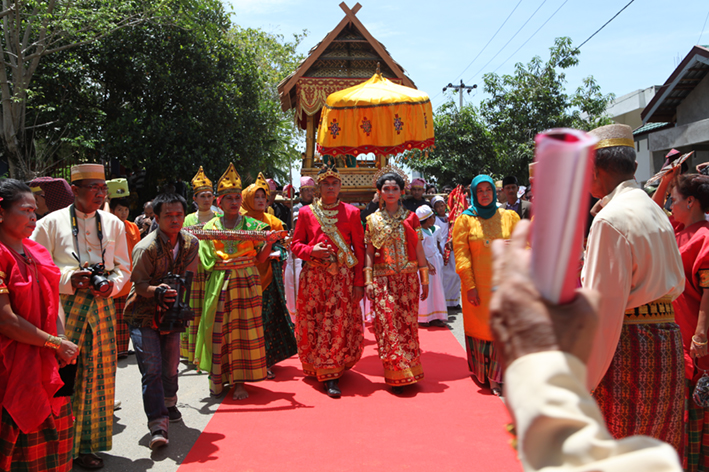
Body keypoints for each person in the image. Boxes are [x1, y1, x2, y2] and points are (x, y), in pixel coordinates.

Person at [490, 220, 683, 472]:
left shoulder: (608, 223)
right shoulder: (656, 216)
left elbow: (575, 461)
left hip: (621, 343)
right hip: (663, 340)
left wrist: (537, 365)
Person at [582, 124, 685, 452]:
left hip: (627, 349)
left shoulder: (610, 220)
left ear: (595, 171)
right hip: (667, 345)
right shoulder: (656, 211)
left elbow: (602, 314)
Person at [31, 163, 131, 469]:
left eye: (103, 189)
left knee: (98, 377)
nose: (100, 194)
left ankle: (88, 446)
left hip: (101, 307)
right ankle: (60, 444)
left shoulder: (113, 224)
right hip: (64, 307)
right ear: (75, 190)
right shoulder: (49, 223)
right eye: (93, 188)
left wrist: (111, 286)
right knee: (64, 376)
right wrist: (68, 279)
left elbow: (123, 268)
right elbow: (36, 264)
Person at [0, 179, 80, 472]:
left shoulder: (36, 252)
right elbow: (6, 321)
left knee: (54, 447)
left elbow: (52, 299)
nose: (34, 217)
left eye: (35, 211)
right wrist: (55, 343)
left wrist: (59, 339)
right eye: (25, 210)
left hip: (46, 361)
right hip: (12, 368)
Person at [193, 163, 275, 400]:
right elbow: (205, 260)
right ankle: (218, 379)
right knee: (218, 330)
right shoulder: (210, 228)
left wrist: (269, 243)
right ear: (219, 202)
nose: (233, 202)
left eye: (237, 197)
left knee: (242, 333)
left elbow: (260, 258)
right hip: (219, 282)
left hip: (247, 282)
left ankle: (240, 382)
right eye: (228, 198)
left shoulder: (255, 227)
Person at [123, 193, 199, 450]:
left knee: (171, 364)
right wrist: (158, 291)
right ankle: (157, 423)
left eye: (179, 215)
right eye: (168, 215)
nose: (175, 220)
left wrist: (178, 298)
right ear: (156, 217)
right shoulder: (146, 247)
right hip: (142, 313)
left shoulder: (191, 243)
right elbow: (139, 285)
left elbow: (189, 276)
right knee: (152, 368)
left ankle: (169, 402)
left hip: (172, 310)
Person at [291, 165, 365, 398]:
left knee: (336, 323)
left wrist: (359, 283)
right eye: (326, 184)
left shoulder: (352, 213)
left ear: (340, 187)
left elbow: (360, 250)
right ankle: (318, 362)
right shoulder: (305, 213)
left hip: (341, 279)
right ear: (318, 188)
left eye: (334, 183)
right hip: (313, 277)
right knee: (315, 322)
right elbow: (295, 245)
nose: (330, 187)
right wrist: (311, 250)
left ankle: (331, 373)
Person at [653, 170, 709, 470]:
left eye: (673, 200)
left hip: (695, 343)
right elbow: (650, 210)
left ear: (691, 202)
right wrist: (666, 182)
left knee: (698, 409)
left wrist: (701, 335)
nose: (669, 206)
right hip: (679, 334)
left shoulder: (704, 237)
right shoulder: (678, 228)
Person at [452, 174, 519, 396]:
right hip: (478, 287)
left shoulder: (509, 217)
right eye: (479, 191)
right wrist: (469, 285)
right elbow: (461, 255)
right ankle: (488, 376)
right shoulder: (465, 220)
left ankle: (500, 376)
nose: (484, 194)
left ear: (494, 192)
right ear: (473, 193)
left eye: (488, 190)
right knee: (483, 330)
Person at [365, 169, 428, 394]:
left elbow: (419, 248)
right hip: (382, 280)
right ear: (379, 192)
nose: (390, 192)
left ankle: (410, 369)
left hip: (408, 279)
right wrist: (368, 280)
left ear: (402, 191)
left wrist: (425, 279)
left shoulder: (410, 218)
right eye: (386, 189)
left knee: (408, 326)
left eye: (394, 189)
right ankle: (395, 373)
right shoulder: (372, 220)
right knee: (387, 325)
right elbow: (370, 251)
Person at [240, 173, 297, 379]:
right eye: (256, 197)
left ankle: (266, 360)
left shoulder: (274, 221)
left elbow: (284, 246)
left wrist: (277, 252)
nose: (261, 201)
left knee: (268, 319)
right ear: (247, 199)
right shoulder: (240, 222)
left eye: (263, 197)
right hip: (245, 277)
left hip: (270, 277)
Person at [109, 197, 141, 358]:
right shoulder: (107, 226)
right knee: (113, 315)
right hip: (115, 275)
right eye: (120, 209)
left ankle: (122, 348)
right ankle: (113, 349)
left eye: (126, 210)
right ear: (112, 210)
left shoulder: (133, 227)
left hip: (130, 276)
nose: (123, 213)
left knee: (126, 314)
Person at [284, 176, 316, 320]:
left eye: (312, 190)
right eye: (306, 190)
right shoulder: (295, 209)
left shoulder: (317, 208)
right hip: (300, 251)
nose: (309, 193)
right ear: (301, 192)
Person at [416, 205, 448, 327]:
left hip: (435, 261)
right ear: (427, 219)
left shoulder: (431, 229)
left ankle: (436, 315)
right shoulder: (419, 232)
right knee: (426, 289)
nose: (434, 219)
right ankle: (423, 317)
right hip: (425, 263)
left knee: (437, 289)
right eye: (432, 217)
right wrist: (426, 263)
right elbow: (418, 250)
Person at [431, 195, 461, 308]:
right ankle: (445, 302)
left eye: (441, 205)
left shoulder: (451, 217)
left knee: (455, 274)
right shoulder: (435, 220)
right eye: (437, 206)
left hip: (452, 247)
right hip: (441, 249)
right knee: (444, 276)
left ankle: (454, 301)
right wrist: (439, 249)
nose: (440, 208)